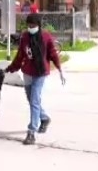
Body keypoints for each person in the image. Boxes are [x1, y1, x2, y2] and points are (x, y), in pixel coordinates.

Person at [5, 13, 65, 146]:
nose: (31, 27)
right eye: (29, 25)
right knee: (32, 100)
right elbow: (20, 55)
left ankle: (31, 132)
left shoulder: (46, 37)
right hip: (27, 72)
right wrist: (10, 68)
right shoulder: (25, 37)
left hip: (40, 72)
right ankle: (44, 118)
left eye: (33, 25)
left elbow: (53, 54)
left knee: (34, 100)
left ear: (38, 25)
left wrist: (60, 69)